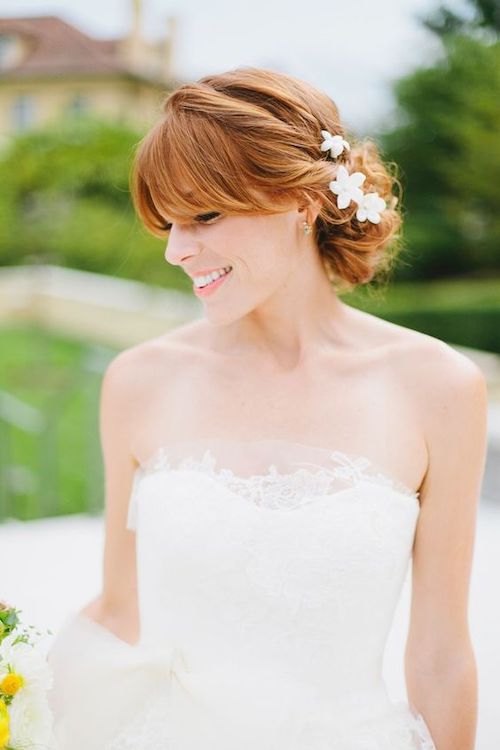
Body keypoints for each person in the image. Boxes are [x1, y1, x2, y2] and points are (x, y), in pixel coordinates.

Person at [46, 66, 488, 750]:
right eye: (167, 222)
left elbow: (439, 654)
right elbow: (118, 608)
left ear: (304, 204)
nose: (176, 249)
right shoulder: (139, 382)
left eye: (206, 216)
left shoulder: (439, 389)